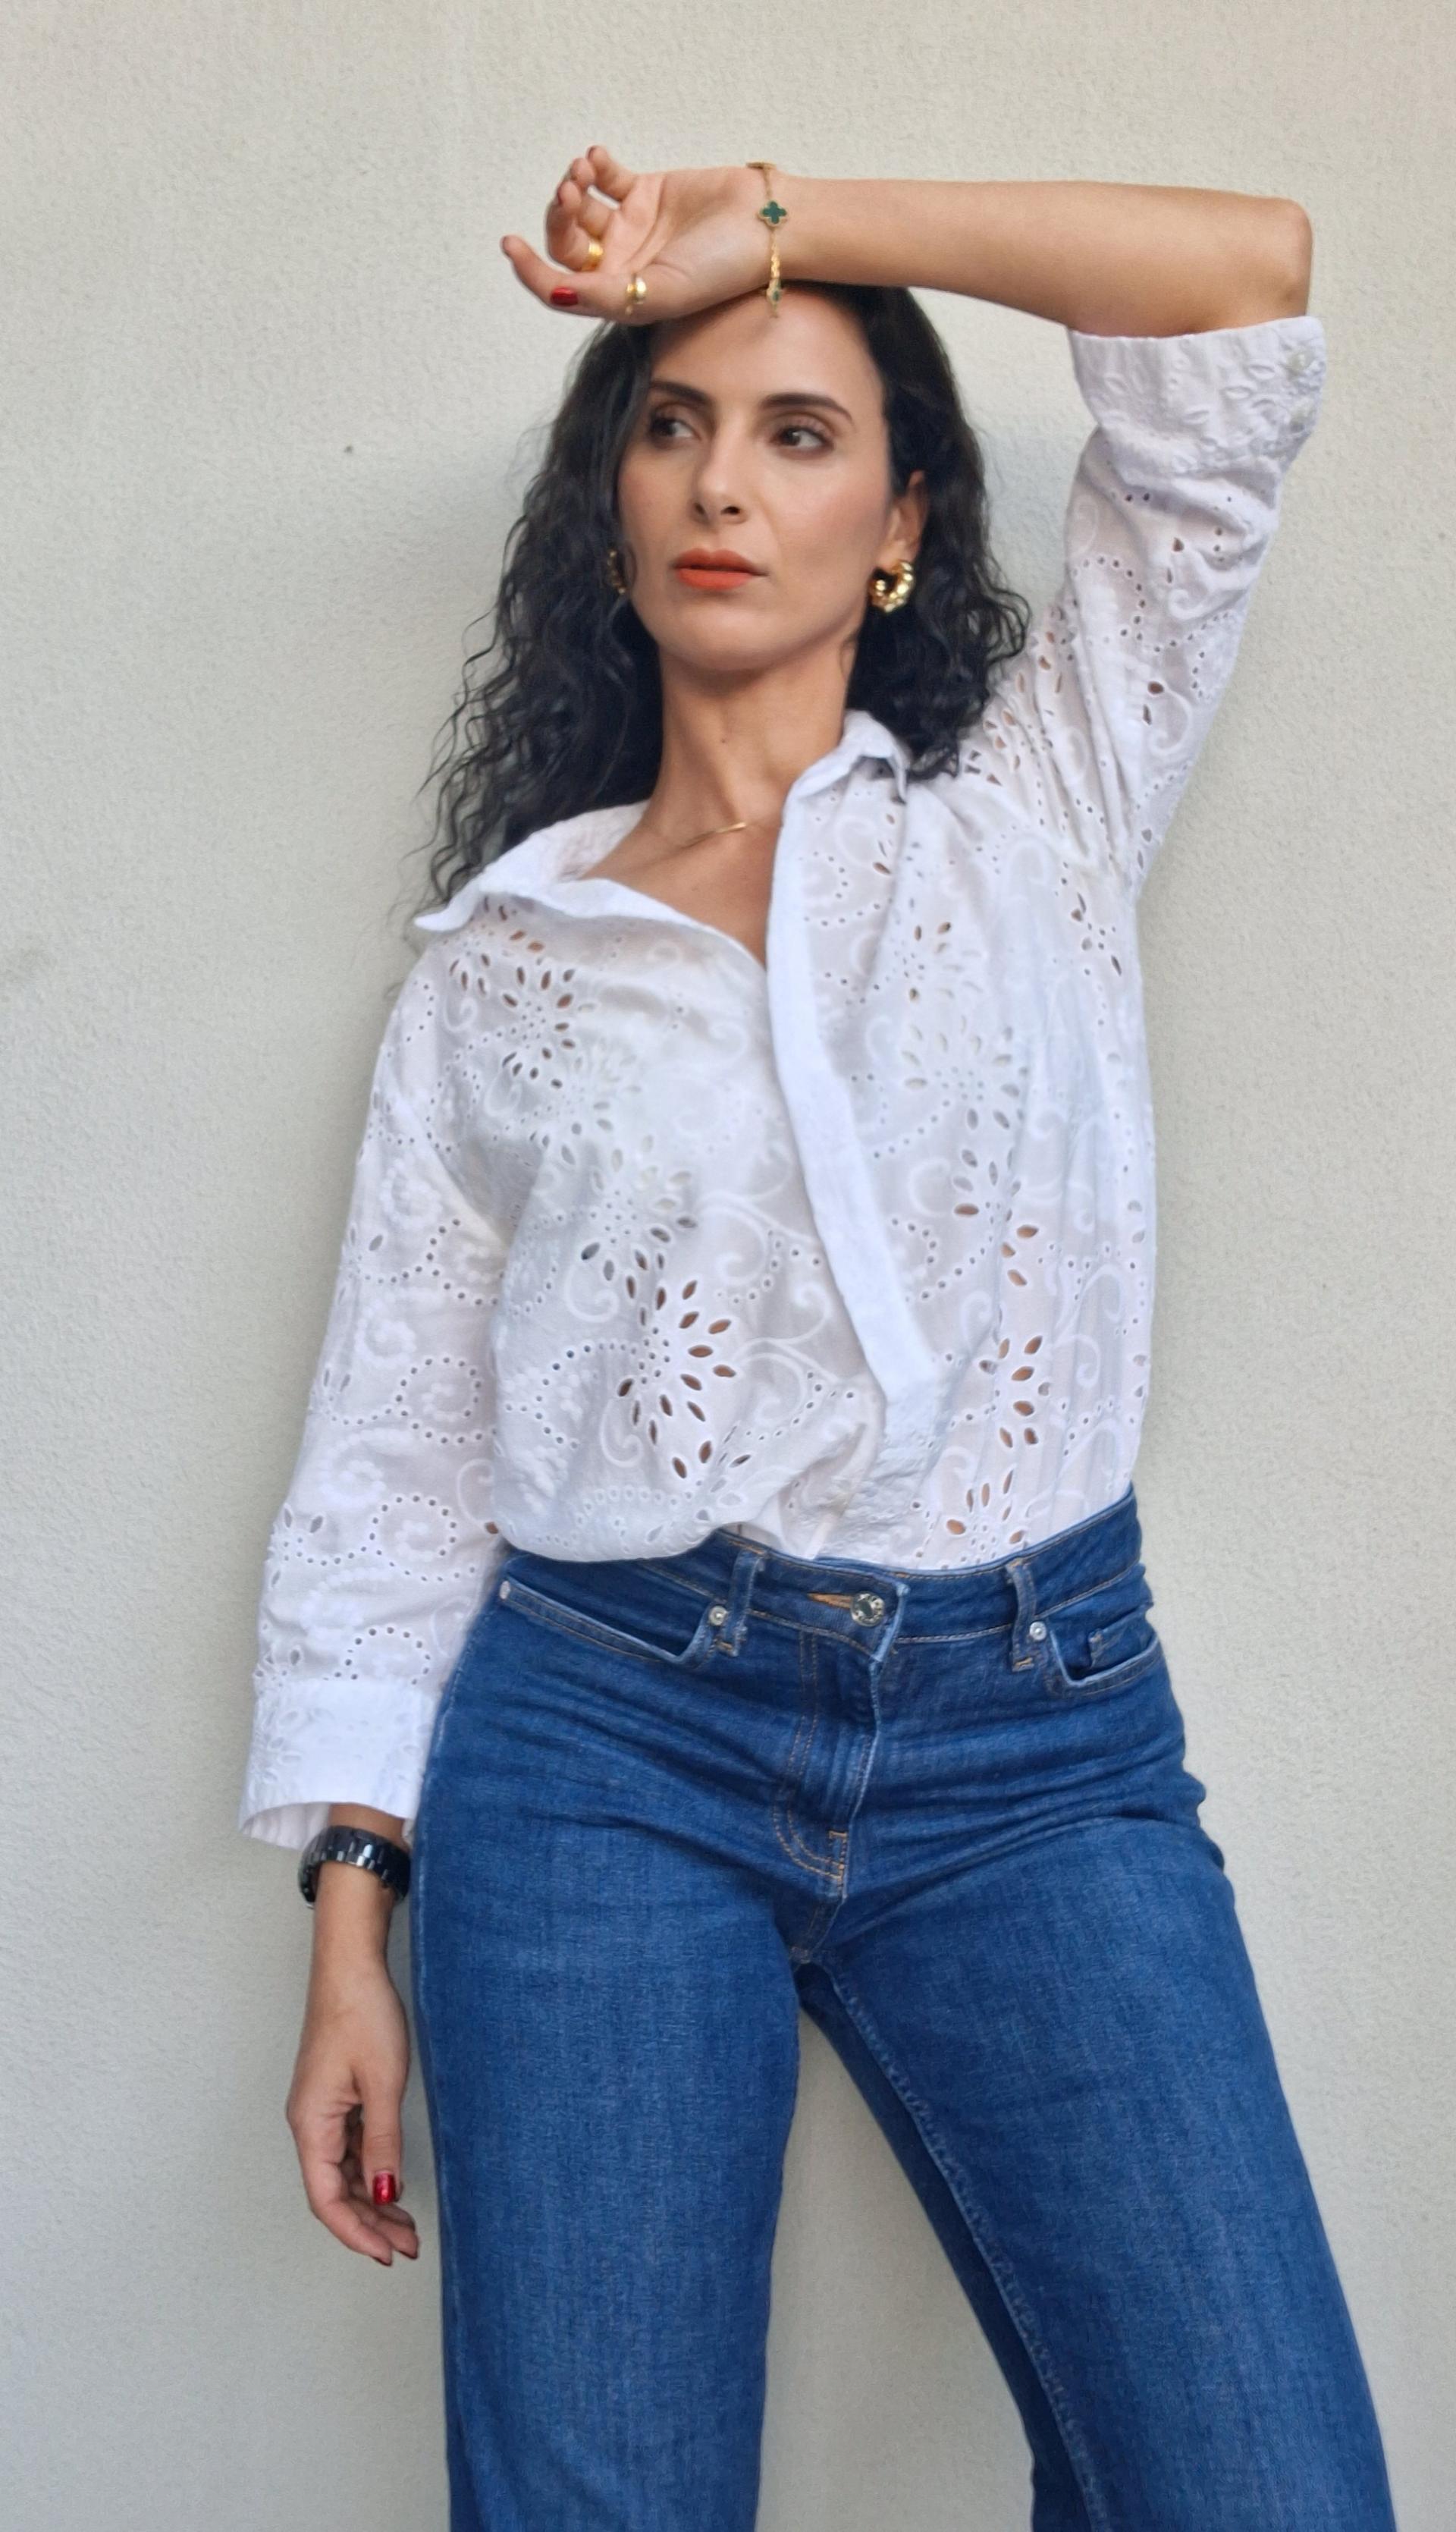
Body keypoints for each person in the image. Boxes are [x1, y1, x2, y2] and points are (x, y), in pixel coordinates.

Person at [238, 152, 1398, 2530]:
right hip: (605, 1747)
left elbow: (1246, 287)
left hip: (1038, 1736)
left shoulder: (1039, 809)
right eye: (669, 425)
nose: (719, 484)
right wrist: (353, 1909)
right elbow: (394, 1469)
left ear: (900, 525)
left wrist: (777, 219)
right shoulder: (503, 969)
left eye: (798, 430)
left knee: (1263, 2484)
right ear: (608, 510)